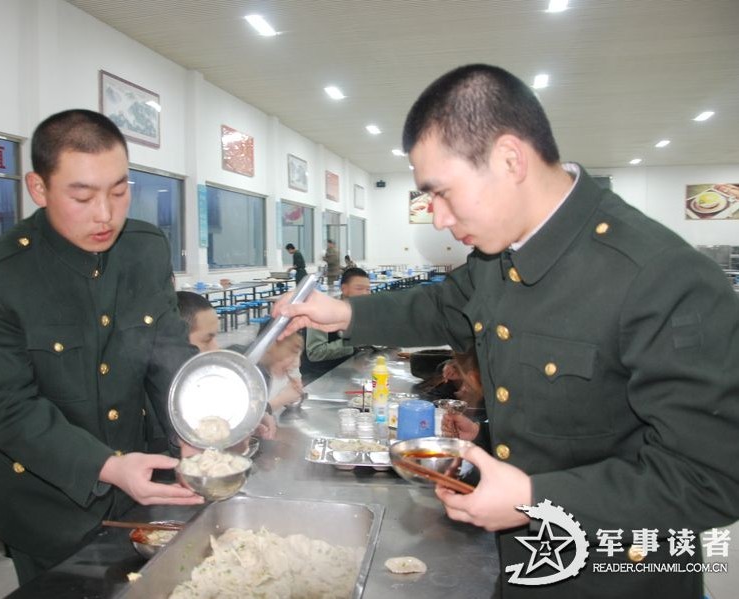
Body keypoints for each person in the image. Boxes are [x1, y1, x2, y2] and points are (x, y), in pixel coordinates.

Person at [276, 64, 739, 598]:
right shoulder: (500, 256)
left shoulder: (658, 276)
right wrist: (346, 314)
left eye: (443, 193)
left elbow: (710, 479)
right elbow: (443, 305)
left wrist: (535, 497)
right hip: (513, 562)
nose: (439, 219)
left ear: (510, 159)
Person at [0, 109, 202, 584]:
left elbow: (167, 352)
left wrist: (191, 429)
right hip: (48, 507)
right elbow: (5, 407)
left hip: (142, 493)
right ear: (39, 188)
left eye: (119, 190)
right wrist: (105, 466)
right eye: (82, 195)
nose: (106, 214)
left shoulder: (145, 248)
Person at [175, 290, 278, 438]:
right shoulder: (156, 395)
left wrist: (249, 419)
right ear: (176, 341)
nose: (215, 348)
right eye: (206, 340)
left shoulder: (202, 382)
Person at [300, 267, 371, 383]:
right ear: (344, 289)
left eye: (368, 289)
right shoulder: (323, 311)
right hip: (320, 379)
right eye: (359, 288)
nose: (365, 293)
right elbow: (314, 352)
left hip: (346, 372)